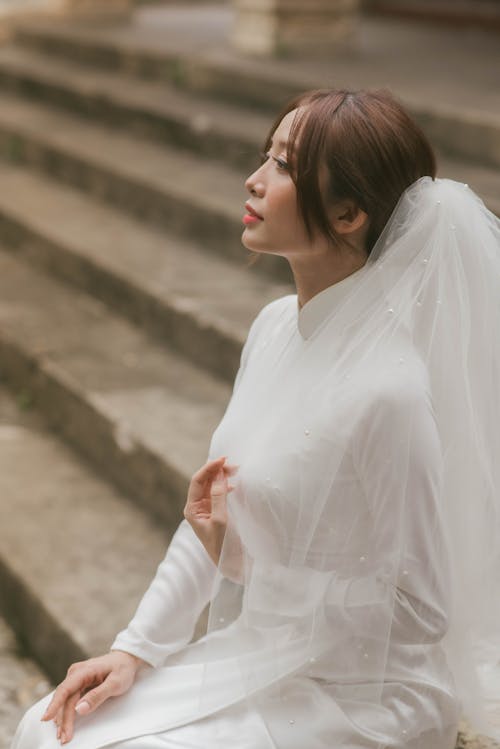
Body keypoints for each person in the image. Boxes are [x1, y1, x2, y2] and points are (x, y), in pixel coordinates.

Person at [11, 89, 500, 749]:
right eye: (265, 154)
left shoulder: (389, 389)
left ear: (349, 211)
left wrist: (255, 565)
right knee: (43, 728)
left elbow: (418, 610)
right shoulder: (273, 329)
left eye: (285, 166)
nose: (254, 178)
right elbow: (212, 512)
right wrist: (135, 650)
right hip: (265, 652)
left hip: (365, 696)